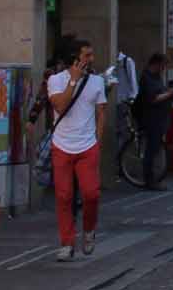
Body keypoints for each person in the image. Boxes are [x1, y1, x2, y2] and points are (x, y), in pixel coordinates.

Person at [42, 38, 107, 262]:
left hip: (87, 145)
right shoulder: (55, 80)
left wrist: (97, 139)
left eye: (91, 54)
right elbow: (60, 106)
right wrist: (73, 82)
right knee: (64, 196)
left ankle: (88, 230)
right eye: (87, 55)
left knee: (91, 193)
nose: (92, 59)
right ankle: (67, 243)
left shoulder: (97, 82)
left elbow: (101, 113)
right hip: (62, 145)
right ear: (75, 59)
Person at [135, 52, 173, 190]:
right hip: (151, 119)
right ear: (156, 64)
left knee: (155, 149)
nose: (164, 68)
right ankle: (149, 180)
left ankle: (153, 178)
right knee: (151, 151)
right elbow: (152, 98)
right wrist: (169, 94)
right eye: (163, 65)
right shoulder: (147, 78)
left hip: (160, 118)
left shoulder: (156, 77)